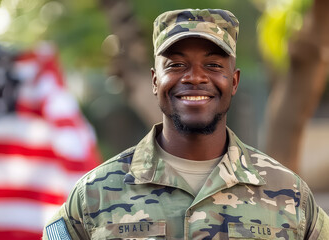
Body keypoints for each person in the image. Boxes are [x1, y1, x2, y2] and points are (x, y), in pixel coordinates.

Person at [42, 8, 329, 240]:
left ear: (235, 81)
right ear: (155, 81)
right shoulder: (94, 195)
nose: (195, 77)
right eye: (176, 65)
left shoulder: (291, 196)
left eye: (214, 65)